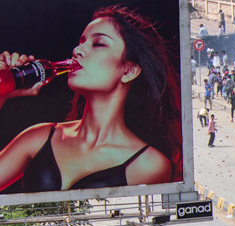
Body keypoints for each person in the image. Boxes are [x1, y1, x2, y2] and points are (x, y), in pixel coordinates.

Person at [0, 7, 181, 193]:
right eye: (81, 42)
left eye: (98, 44)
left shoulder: (148, 165)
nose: (77, 50)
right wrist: (2, 95)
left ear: (128, 71)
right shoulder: (40, 137)